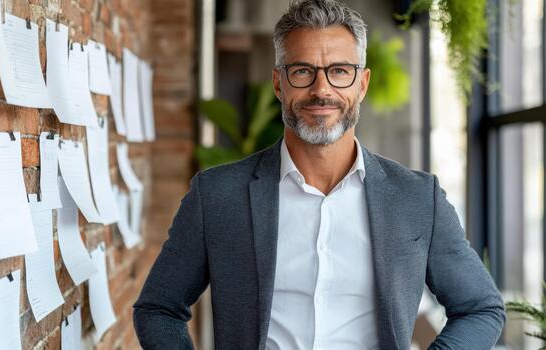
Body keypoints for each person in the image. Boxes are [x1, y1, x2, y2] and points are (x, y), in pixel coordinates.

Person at [133, 0, 506, 349]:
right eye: (302, 71)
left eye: (339, 71)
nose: (321, 89)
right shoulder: (217, 195)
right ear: (279, 83)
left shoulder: (417, 197)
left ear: (362, 84)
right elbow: (158, 309)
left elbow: (481, 309)